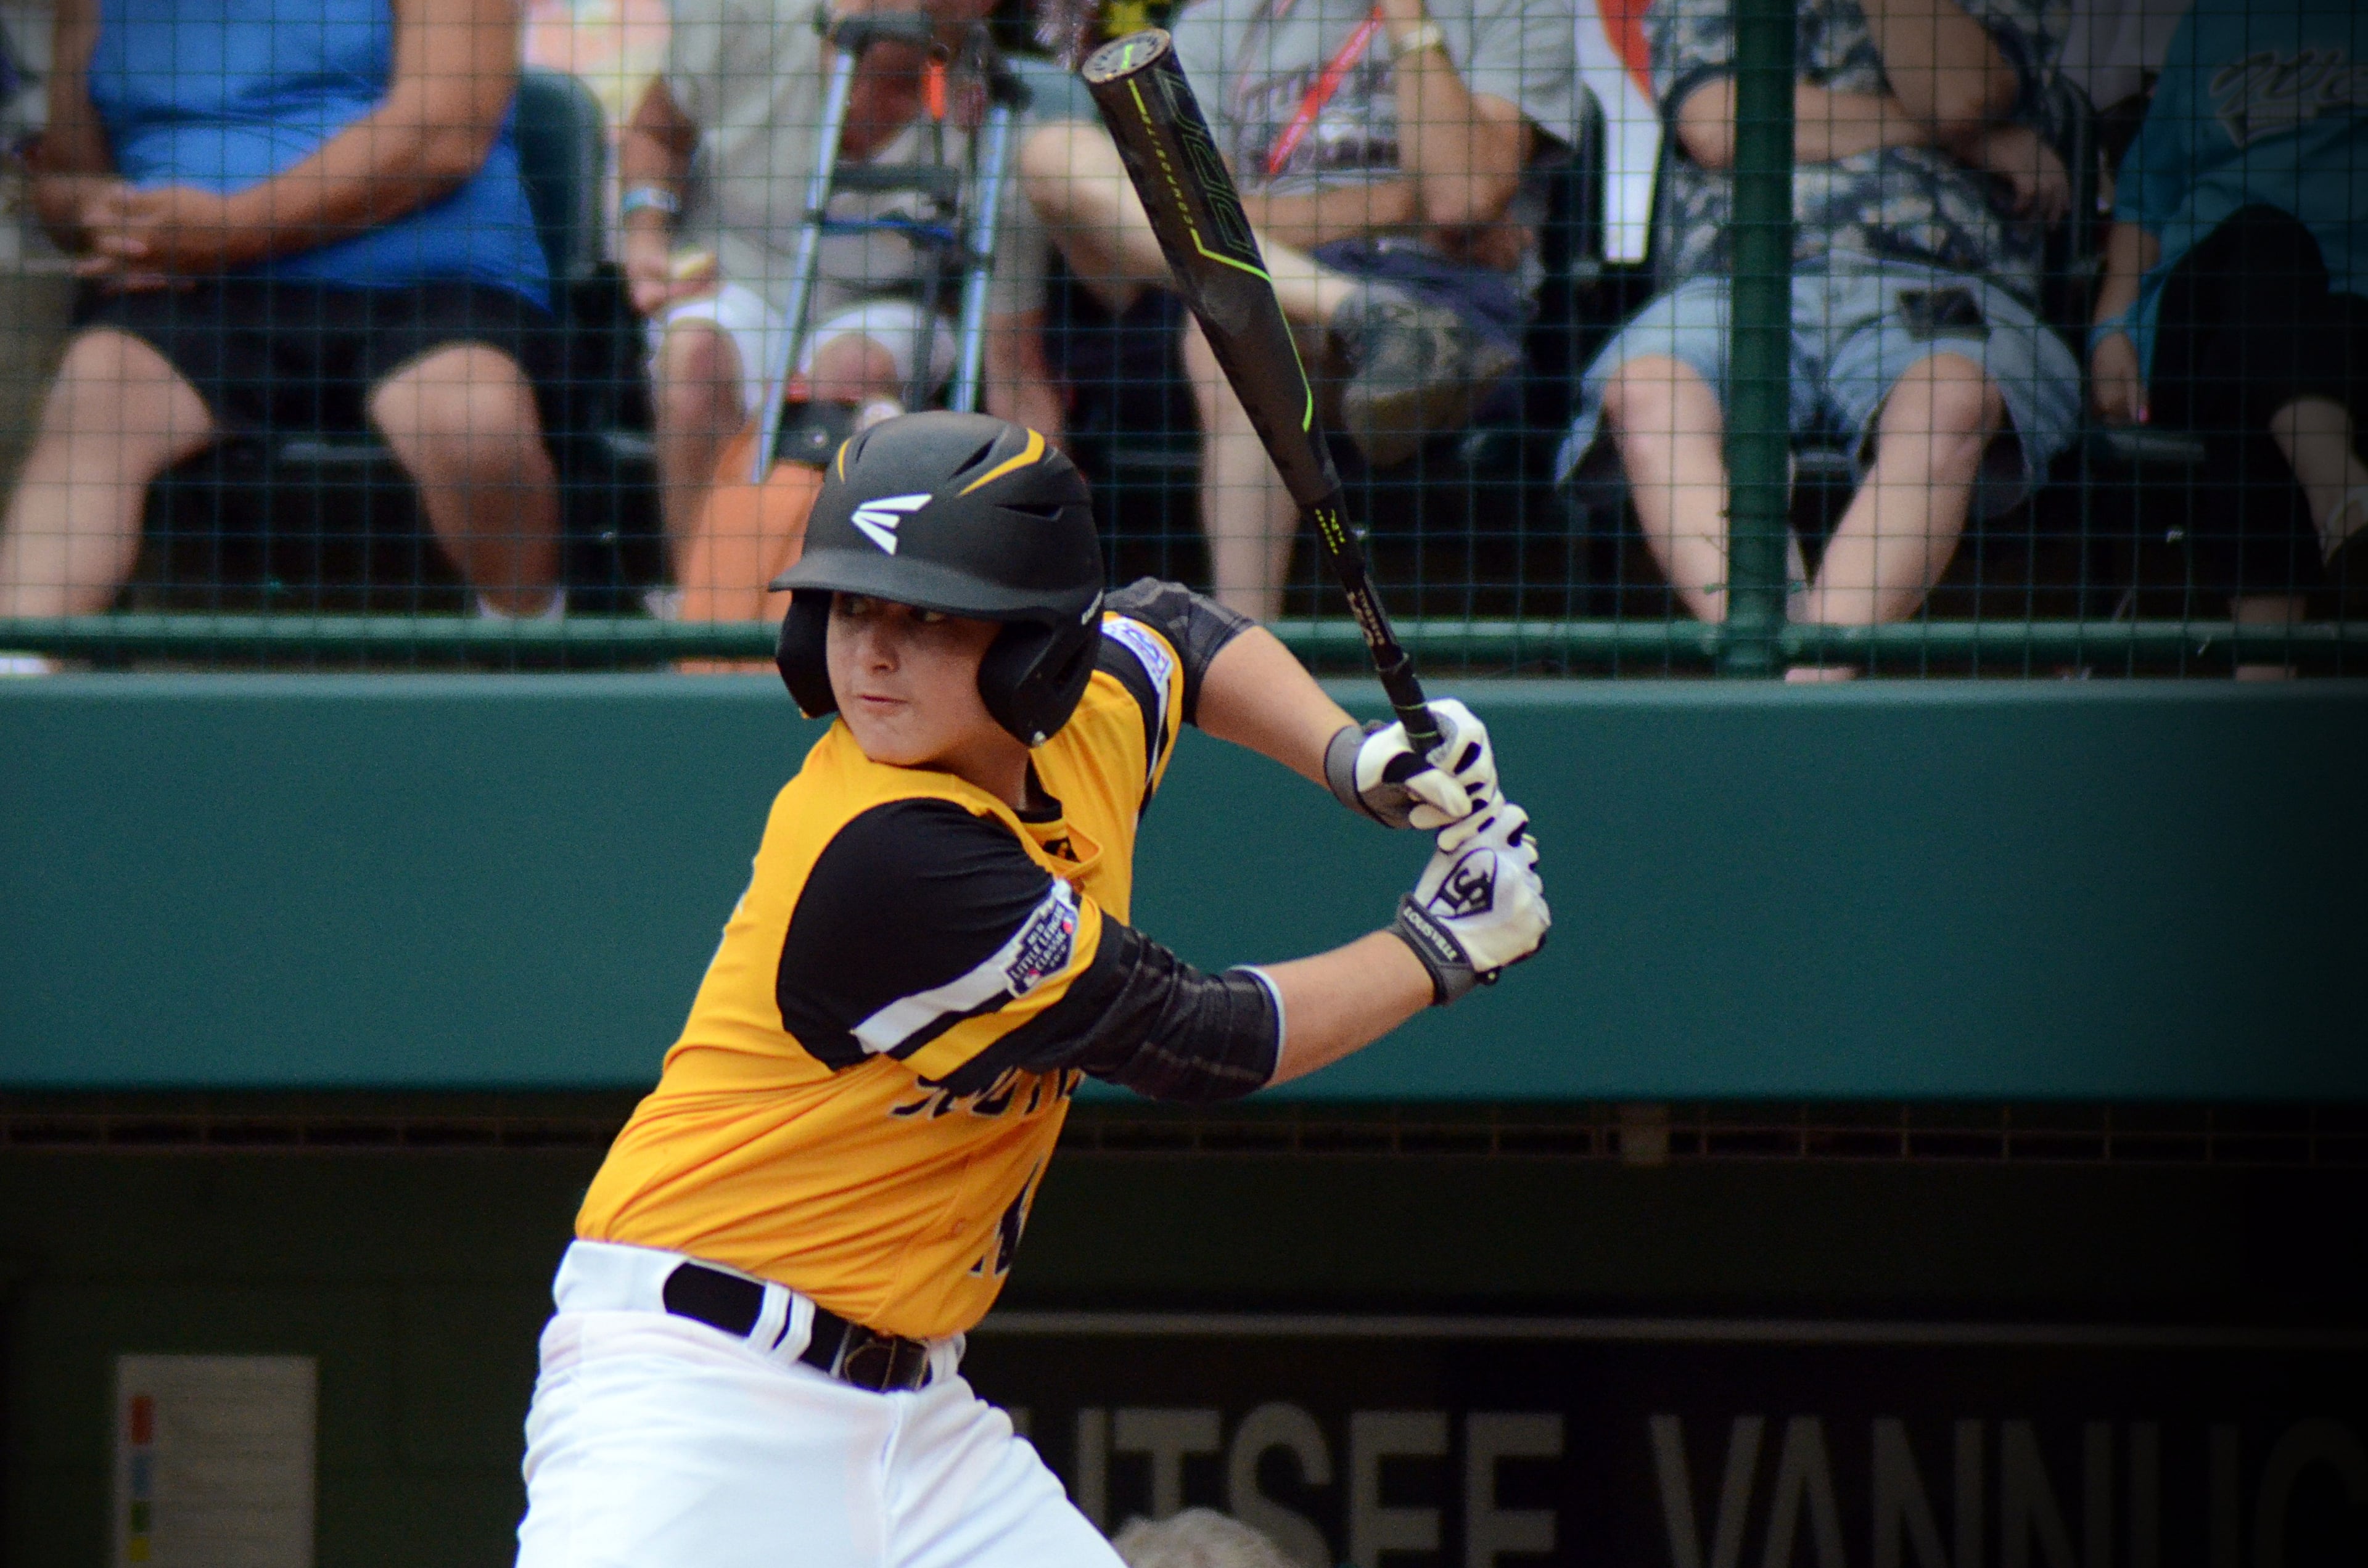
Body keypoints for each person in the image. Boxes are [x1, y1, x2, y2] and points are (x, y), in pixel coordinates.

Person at [509, 409, 1548, 1568]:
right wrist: (1439, 946)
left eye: (927, 615)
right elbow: (1198, 1039)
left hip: (925, 1421)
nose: (874, 651)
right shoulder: (887, 851)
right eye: (852, 605)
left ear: (1034, 650)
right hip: (697, 1400)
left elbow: (1176, 629)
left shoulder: (1079, 723)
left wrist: (1352, 757)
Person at [0, 0, 562, 666]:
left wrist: (229, 230)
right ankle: (19, 678)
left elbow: (445, 134)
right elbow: (69, 174)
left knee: (473, 421)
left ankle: (533, 658)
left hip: (431, 281)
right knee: (97, 395)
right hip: (195, 295)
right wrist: (100, 212)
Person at [1558, 0, 2081, 676]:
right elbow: (1719, 124)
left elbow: (1961, 93)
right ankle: (1775, 675)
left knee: (1949, 397)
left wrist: (1950, 122)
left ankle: (1810, 684)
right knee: (1648, 390)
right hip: (1733, 275)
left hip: (1935, 276)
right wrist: (1959, 139)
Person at [1022, 0, 1582, 620]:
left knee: (1230, 316)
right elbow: (1195, 224)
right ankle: (1366, 313)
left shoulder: (1511, 7)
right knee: (1058, 153)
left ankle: (1242, 641)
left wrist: (1406, 18)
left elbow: (1463, 193)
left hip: (1444, 303)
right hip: (1260, 291)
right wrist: (1407, 202)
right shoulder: (1220, 21)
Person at [622, 0, 1065, 573]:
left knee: (850, 370)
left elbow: (1015, 367)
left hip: (892, 303)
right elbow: (656, 135)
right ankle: (705, 621)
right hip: (739, 271)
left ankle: (823, 613)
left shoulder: (1003, 120)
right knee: (695, 360)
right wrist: (647, 240)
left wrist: (1051, 538)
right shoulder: (743, 18)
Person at [2089, 0, 2366, 673]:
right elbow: (2146, 194)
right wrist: (2111, 326)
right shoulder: (2217, 18)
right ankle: (2340, 492)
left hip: (2344, 316)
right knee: (2265, 240)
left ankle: (2262, 682)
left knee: (2270, 370)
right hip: (2202, 301)